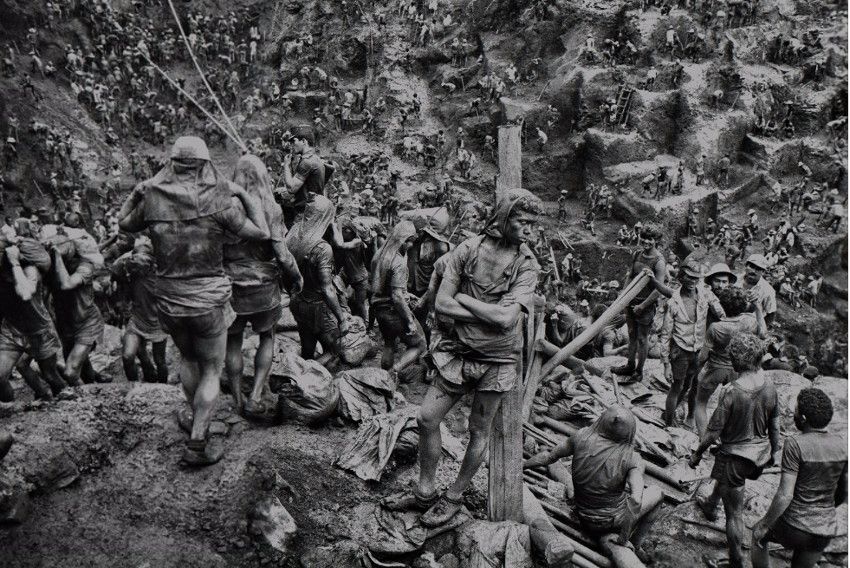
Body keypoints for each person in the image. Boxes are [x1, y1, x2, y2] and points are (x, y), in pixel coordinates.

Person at [381, 188, 542, 527]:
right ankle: (424, 491)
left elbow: (507, 320)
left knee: (479, 430)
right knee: (427, 418)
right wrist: (486, 309)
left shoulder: (527, 266)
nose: (530, 230)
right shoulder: (468, 250)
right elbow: (442, 304)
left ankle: (453, 496)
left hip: (497, 362)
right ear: (504, 219)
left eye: (533, 224)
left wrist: (464, 301)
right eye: (522, 222)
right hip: (458, 352)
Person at [118, 136, 271, 466]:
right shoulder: (218, 200)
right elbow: (262, 231)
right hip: (207, 300)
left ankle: (194, 415)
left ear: (172, 164)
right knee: (212, 370)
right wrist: (243, 193)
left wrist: (138, 191)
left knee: (188, 360)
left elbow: (123, 222)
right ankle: (198, 443)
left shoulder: (153, 200)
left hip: (168, 299)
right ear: (204, 165)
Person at [689, 333, 781, 568]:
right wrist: (773, 451)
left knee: (735, 514)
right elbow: (775, 424)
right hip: (759, 455)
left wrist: (698, 453)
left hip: (735, 458)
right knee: (729, 484)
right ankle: (710, 504)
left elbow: (713, 431)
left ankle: (736, 561)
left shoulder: (732, 391)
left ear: (735, 360)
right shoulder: (770, 386)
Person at [224, 155, 302, 418]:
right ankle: (256, 395)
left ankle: (235, 397)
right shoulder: (271, 208)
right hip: (264, 286)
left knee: (232, 341)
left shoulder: (224, 206)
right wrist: (296, 277)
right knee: (267, 336)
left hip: (231, 285)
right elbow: (282, 255)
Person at [524, 407, 663, 546]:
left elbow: (548, 456)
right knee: (658, 492)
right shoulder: (632, 457)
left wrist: (521, 466)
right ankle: (636, 543)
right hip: (609, 522)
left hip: (582, 514)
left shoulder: (581, 436)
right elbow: (636, 500)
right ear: (630, 431)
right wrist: (623, 539)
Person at [751, 388, 847, 568]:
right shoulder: (842, 445)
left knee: (758, 535)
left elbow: (785, 495)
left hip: (795, 526)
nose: (794, 414)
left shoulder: (795, 444)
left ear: (803, 418)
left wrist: (764, 524)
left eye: (795, 410)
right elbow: (843, 492)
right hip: (824, 531)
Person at [0, 236, 69, 401]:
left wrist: (15, 263)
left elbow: (25, 293)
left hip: (39, 331)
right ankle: (16, 408)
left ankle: (68, 407)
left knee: (51, 376)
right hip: (12, 329)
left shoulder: (31, 270)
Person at [658, 259, 725, 427]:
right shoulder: (674, 302)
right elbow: (666, 334)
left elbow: (720, 311)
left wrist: (719, 309)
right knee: (676, 386)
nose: (692, 282)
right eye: (689, 278)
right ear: (681, 277)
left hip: (699, 349)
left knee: (693, 383)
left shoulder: (704, 293)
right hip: (680, 350)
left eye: (696, 278)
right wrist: (666, 364)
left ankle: (685, 416)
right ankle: (667, 422)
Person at [693, 287, 767, 436]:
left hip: (715, 368)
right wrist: (758, 309)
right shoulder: (749, 323)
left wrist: (697, 370)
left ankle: (704, 440)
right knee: (733, 406)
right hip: (737, 369)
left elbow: (703, 356)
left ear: (722, 305)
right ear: (743, 306)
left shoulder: (715, 327)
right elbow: (763, 334)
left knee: (700, 404)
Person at [286, 195, 350, 364]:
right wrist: (342, 319)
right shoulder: (322, 248)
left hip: (297, 299)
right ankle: (304, 379)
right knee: (334, 350)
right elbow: (327, 289)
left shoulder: (292, 233)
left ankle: (302, 373)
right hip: (318, 306)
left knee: (307, 348)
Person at [48, 214, 107, 386]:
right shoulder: (53, 266)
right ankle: (93, 385)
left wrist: (57, 256)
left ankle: (85, 403)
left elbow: (66, 284)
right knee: (81, 363)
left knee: (70, 371)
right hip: (66, 323)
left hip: (86, 322)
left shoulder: (85, 266)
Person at [613, 224, 672, 384]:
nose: (646, 241)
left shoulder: (659, 261)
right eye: (644, 237)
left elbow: (658, 289)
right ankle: (630, 365)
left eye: (650, 239)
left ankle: (639, 371)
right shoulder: (637, 254)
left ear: (656, 241)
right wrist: (623, 296)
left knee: (642, 338)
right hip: (630, 301)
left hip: (645, 305)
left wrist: (643, 306)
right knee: (631, 334)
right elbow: (630, 276)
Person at [370, 221, 427, 382]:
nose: (410, 245)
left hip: (378, 308)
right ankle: (392, 373)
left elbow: (384, 283)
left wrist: (406, 293)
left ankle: (383, 377)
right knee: (420, 344)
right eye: (410, 241)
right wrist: (410, 321)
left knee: (388, 344)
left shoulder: (380, 254)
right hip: (392, 310)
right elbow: (396, 297)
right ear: (404, 240)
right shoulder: (398, 262)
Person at [111, 236, 169, 384]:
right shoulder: (131, 270)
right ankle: (134, 388)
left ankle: (163, 390)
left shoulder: (161, 274)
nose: (138, 262)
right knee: (128, 356)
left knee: (160, 361)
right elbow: (115, 269)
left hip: (159, 321)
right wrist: (132, 254)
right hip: (137, 319)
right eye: (136, 258)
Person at [279, 128, 326, 225]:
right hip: (314, 210)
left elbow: (292, 188)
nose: (292, 145)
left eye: (294, 141)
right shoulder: (315, 159)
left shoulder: (307, 162)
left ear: (304, 141)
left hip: (305, 214)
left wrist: (286, 166)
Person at [741, 253, 777, 326]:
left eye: (758, 269)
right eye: (751, 267)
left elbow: (771, 313)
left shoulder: (768, 290)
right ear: (746, 266)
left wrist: (763, 330)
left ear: (763, 272)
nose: (753, 271)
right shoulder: (736, 280)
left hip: (751, 326)